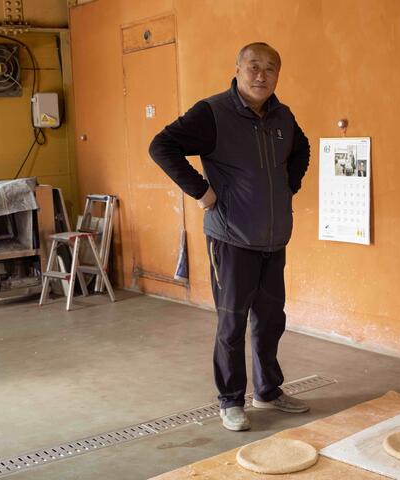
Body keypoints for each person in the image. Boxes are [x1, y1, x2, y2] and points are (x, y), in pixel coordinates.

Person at [149, 42, 311, 431]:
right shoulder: (213, 113)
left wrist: (287, 186)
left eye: (271, 68)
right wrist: (202, 192)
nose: (261, 75)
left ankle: (268, 391)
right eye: (254, 66)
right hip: (231, 239)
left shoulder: (282, 116)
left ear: (278, 76)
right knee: (232, 323)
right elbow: (162, 146)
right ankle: (230, 400)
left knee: (271, 320)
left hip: (273, 239)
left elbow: (301, 150)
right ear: (237, 69)